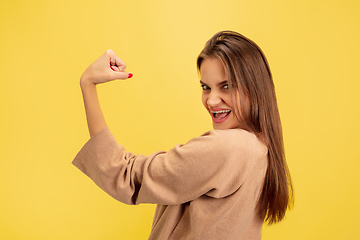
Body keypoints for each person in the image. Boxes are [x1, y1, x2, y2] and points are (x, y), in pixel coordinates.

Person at [73, 30, 293, 240]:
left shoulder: (226, 148)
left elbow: (125, 176)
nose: (212, 100)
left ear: (254, 87)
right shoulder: (261, 146)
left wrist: (88, 83)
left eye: (226, 86)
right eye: (206, 87)